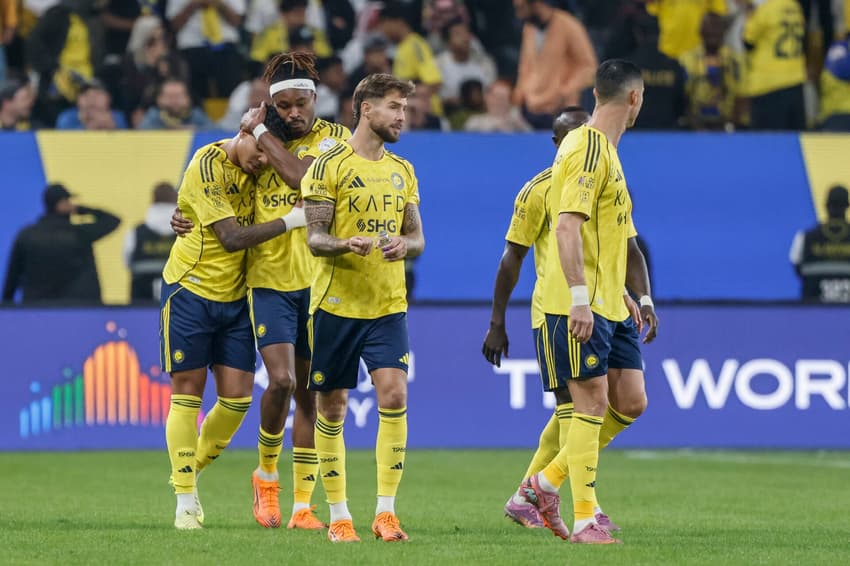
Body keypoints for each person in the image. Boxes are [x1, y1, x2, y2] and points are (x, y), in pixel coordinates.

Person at [519, 60, 657, 544]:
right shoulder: (587, 147)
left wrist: (629, 293)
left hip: (609, 300)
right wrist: (580, 299)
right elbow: (566, 226)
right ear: (634, 98)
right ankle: (584, 521)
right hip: (578, 303)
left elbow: (614, 238)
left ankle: (542, 483)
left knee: (630, 401)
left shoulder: (608, 152)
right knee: (590, 404)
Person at [160, 129, 305, 530]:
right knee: (187, 392)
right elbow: (230, 238)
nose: (262, 160)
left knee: (238, 400)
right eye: (259, 149)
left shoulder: (263, 168)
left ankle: (187, 469)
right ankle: (185, 501)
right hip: (190, 289)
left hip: (239, 297)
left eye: (269, 153)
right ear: (243, 134)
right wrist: (293, 221)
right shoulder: (207, 164)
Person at [302, 73, 425, 543]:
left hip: (388, 304)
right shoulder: (327, 166)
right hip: (336, 304)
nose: (401, 117)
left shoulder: (404, 170)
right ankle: (338, 516)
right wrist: (343, 244)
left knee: (394, 395)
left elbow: (418, 237)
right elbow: (315, 239)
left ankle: (386, 513)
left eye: (405, 109)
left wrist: (404, 245)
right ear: (366, 108)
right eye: (394, 107)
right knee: (331, 408)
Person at [234, 51, 352, 531]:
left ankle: (303, 505)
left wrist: (261, 134)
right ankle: (265, 476)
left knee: (310, 394)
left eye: (300, 104)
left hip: (321, 283)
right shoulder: (251, 141)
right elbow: (227, 164)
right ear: (270, 103)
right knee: (280, 381)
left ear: (314, 99)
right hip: (270, 282)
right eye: (281, 107)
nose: (292, 114)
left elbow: (304, 178)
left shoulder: (338, 140)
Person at [480, 105, 589, 522]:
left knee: (584, 411)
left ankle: (528, 496)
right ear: (557, 143)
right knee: (576, 410)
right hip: (555, 312)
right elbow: (512, 257)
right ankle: (579, 507)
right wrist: (497, 322)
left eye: (586, 133)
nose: (580, 142)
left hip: (598, 309)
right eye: (571, 135)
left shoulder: (602, 181)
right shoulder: (538, 190)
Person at [3, 184, 120, 305]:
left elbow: (13, 275)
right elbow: (112, 220)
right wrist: (80, 209)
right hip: (79, 307)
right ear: (61, 204)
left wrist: (7, 308)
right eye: (68, 201)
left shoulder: (27, 235)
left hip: (37, 308)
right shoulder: (79, 234)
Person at [512, 0, 597, 129]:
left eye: (521, 8)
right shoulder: (529, 28)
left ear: (535, 4)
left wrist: (566, 91)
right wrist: (519, 94)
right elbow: (525, 65)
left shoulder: (569, 25)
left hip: (561, 108)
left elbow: (588, 66)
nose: (519, 15)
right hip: (530, 105)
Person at [742, 0, 806, 130]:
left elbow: (747, 42)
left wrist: (749, 15)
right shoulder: (796, 7)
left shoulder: (766, 10)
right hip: (795, 82)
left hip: (767, 84)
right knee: (792, 141)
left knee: (766, 144)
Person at [789, 185, 850, 303]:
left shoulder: (805, 237)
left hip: (813, 310)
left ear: (826, 206)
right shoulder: (805, 237)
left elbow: (796, 266)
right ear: (847, 206)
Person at [123, 182, 178, 304]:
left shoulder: (136, 232)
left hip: (141, 295)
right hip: (177, 292)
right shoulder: (187, 230)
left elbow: (127, 260)